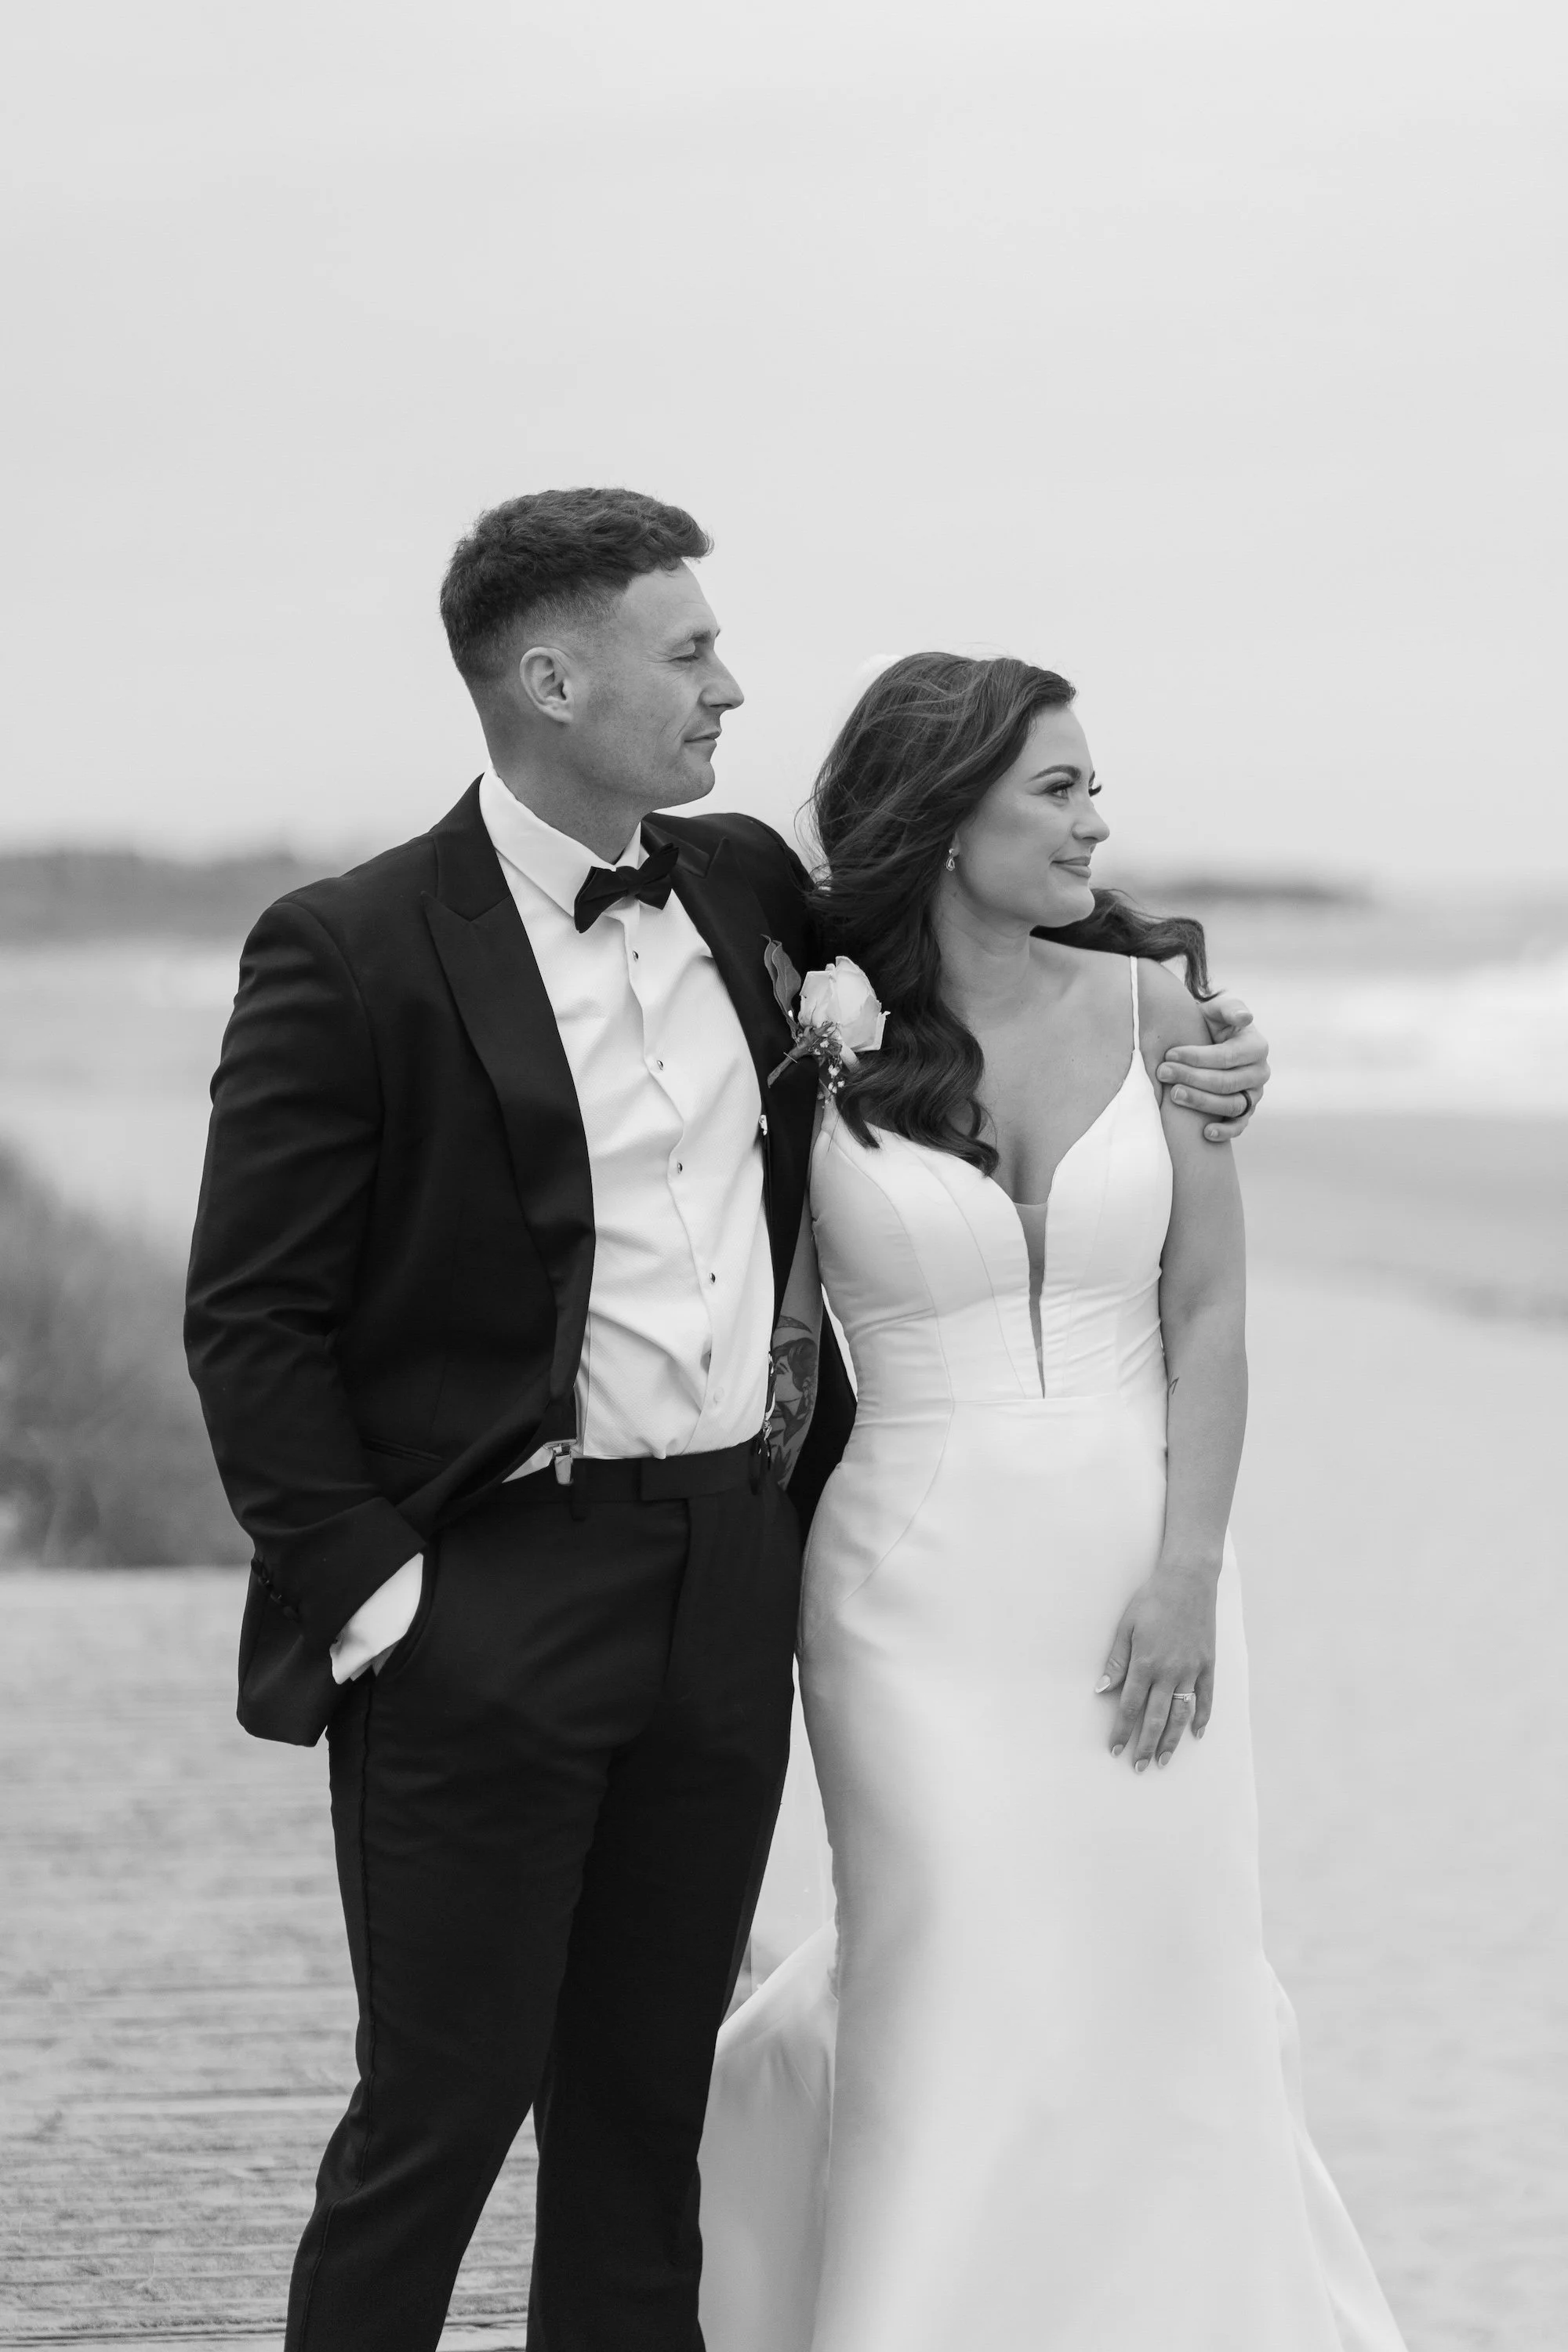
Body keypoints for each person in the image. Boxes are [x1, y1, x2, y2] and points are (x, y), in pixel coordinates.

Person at [183, 492, 1272, 2352]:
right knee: (439, 2113)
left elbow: (969, 932)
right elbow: (250, 1323)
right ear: (553, 680)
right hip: (485, 1596)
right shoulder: (350, 949)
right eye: (687, 653)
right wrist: (380, 1601)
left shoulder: (749, 889)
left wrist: (1208, 1033)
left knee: (642, 2121)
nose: (728, 689)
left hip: (731, 1580)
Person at [699, 653, 1407, 2352]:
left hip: (1136, 1562)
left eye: (1096, 788)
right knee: (951, 1973)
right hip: (906, 1593)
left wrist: (1187, 1571)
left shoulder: (1164, 1017)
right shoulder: (810, 1030)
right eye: (1060, 789)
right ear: (948, 821)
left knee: (1161, 1973)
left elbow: (1208, 1311)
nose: (1098, 822)